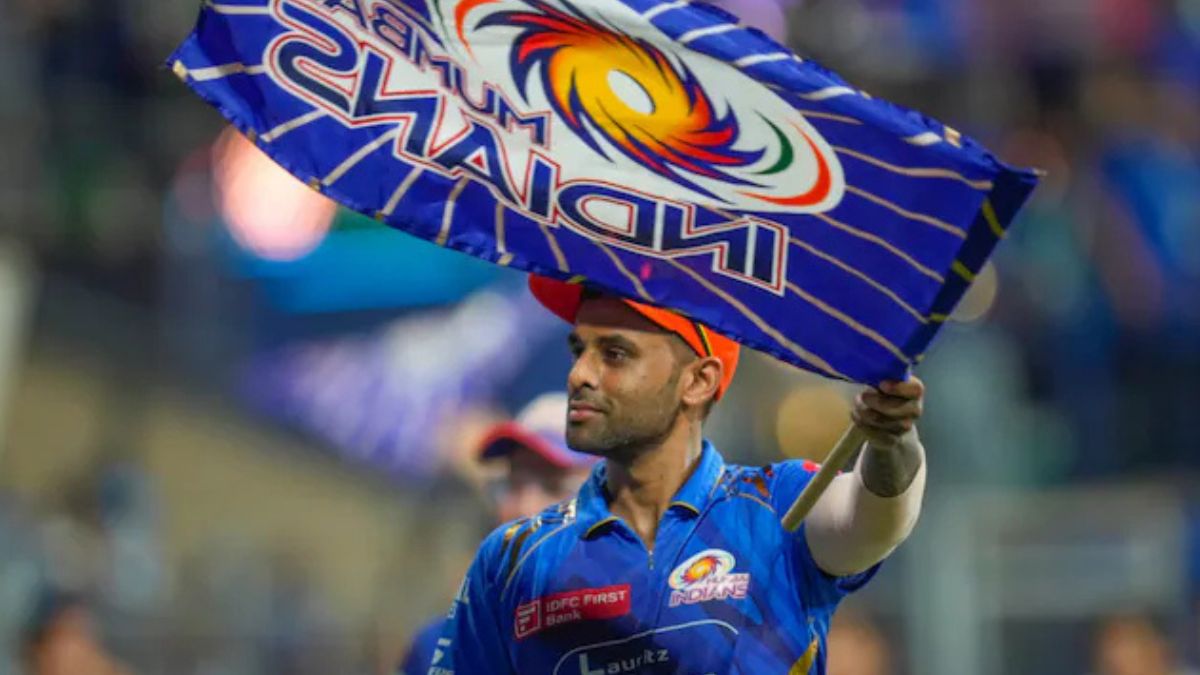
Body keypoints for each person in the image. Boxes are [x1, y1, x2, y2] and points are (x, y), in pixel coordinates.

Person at [430, 276, 928, 674]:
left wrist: (893, 439)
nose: (579, 374)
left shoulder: (776, 504)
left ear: (698, 381)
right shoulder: (512, 557)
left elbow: (873, 520)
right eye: (579, 349)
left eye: (614, 354)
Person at [397, 392, 595, 675]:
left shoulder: (650, 645)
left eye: (555, 487)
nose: (524, 508)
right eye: (512, 485)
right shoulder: (442, 650)